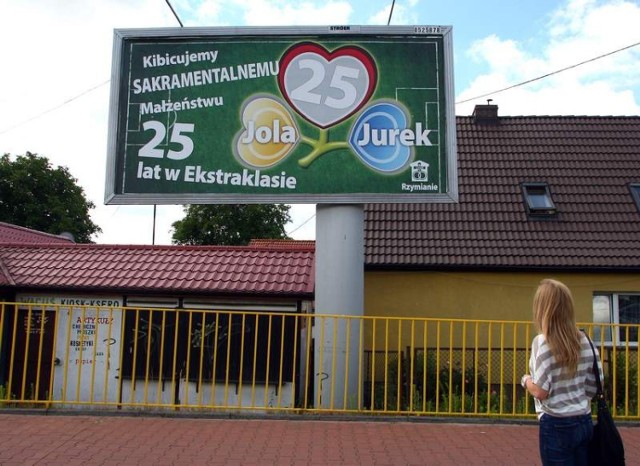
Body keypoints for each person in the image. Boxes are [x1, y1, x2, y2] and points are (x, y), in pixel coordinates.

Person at [521, 278, 602, 465]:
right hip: (584, 420)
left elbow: (541, 391)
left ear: (542, 309)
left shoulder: (543, 343)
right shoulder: (586, 341)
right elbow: (594, 387)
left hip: (556, 424)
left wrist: (525, 380)